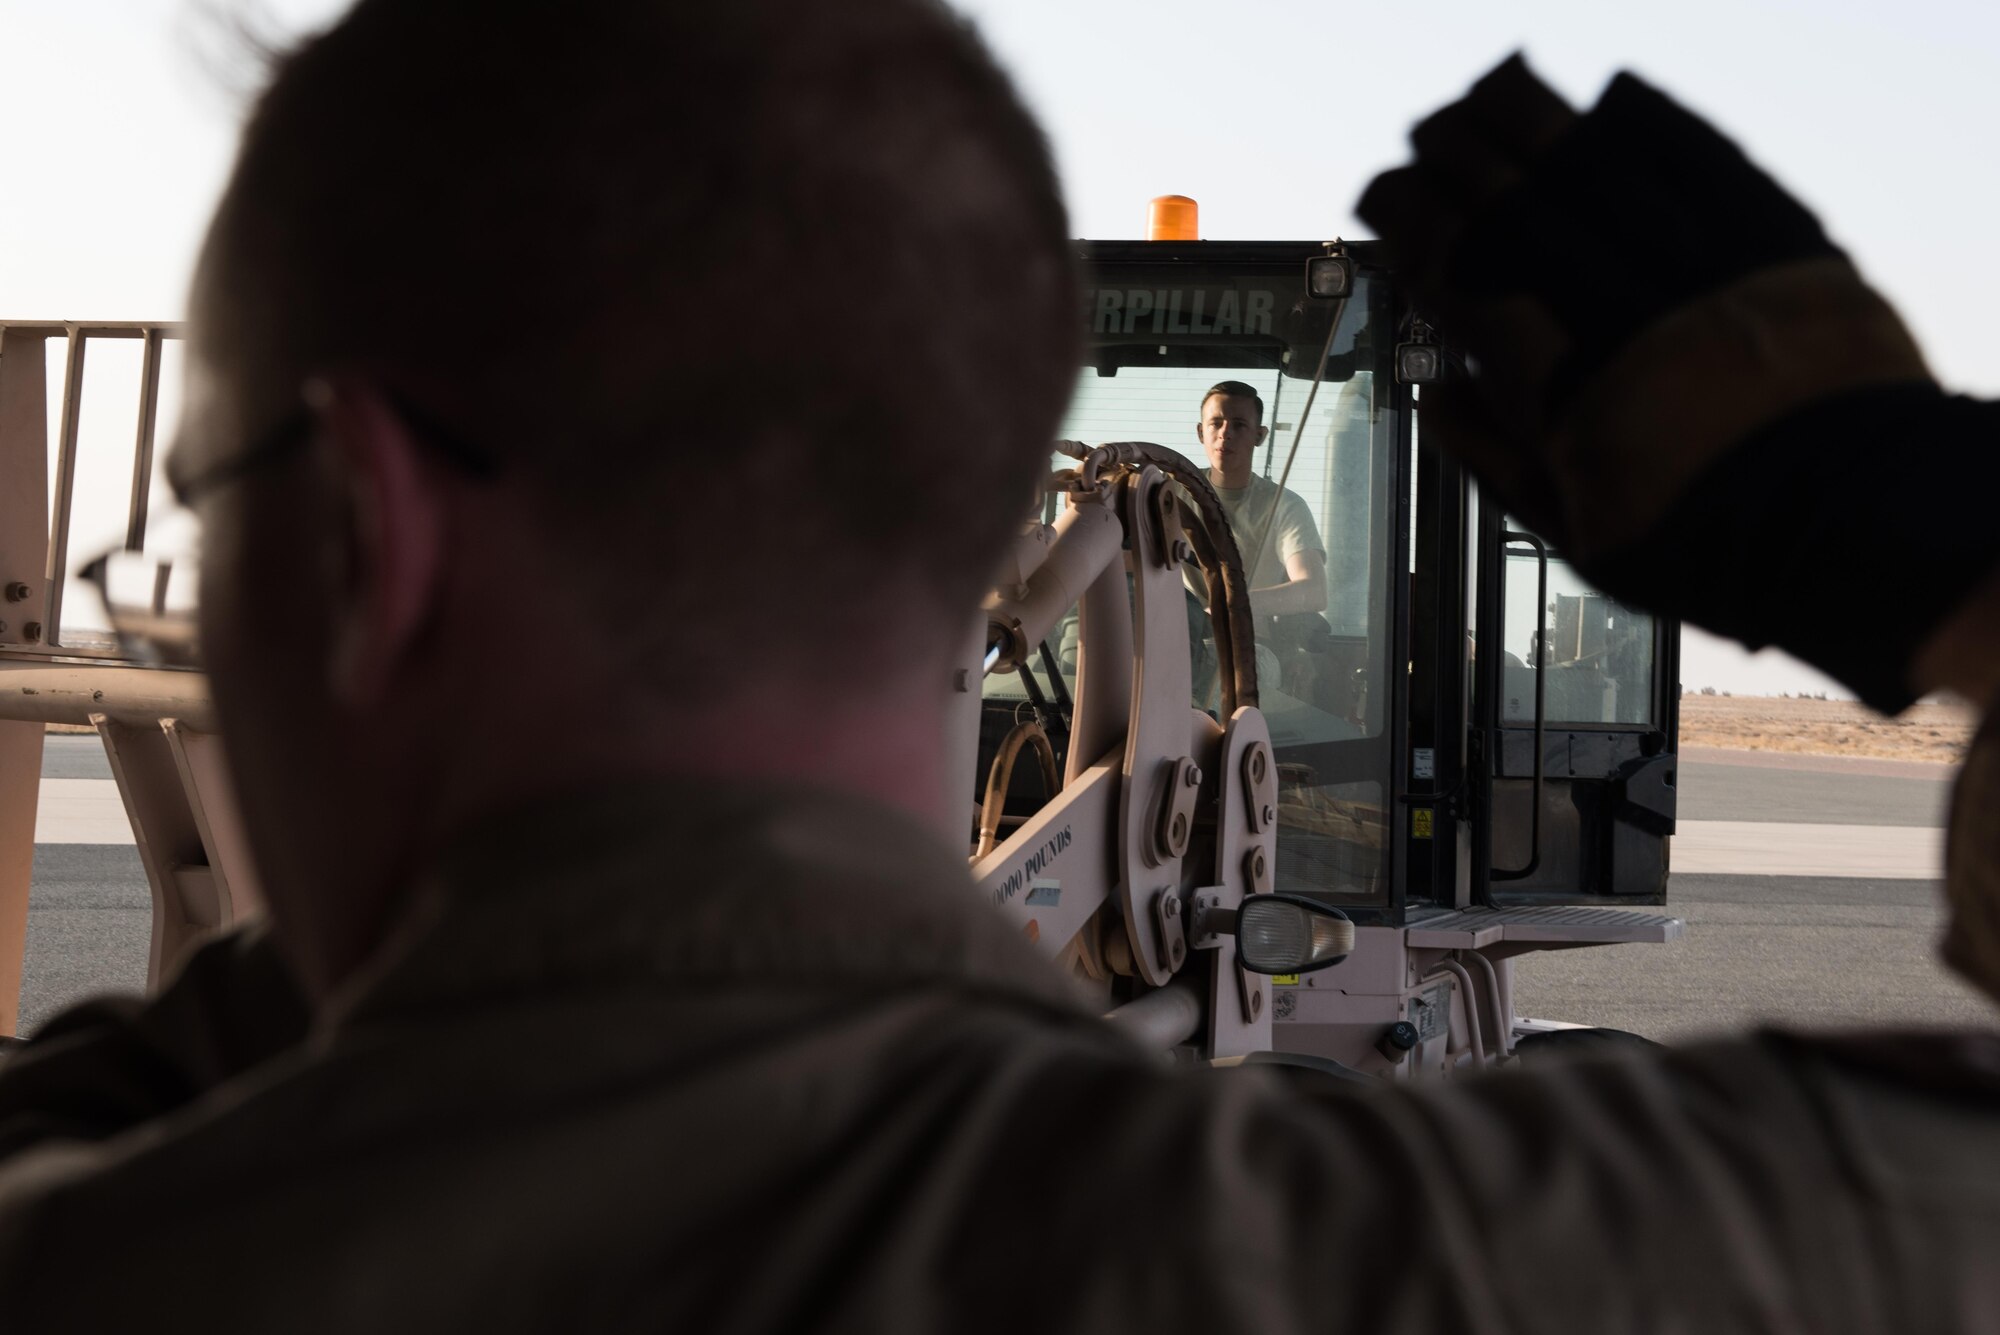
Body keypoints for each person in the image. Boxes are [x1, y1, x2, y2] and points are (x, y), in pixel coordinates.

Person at [5, 10, 2000, 1333]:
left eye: (200, 504)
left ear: (367, 532)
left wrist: (439, 969)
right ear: (963, 502)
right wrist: (1930, 545)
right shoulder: (1602, 1264)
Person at [1195, 380, 1328, 620]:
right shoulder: (1169, 491)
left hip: (1250, 645)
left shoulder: (1285, 506)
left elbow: (1314, 590)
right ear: (1200, 432)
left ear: (1260, 436)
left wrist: (1230, 606)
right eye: (1216, 423)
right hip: (1167, 640)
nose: (1225, 433)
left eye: (1239, 425)